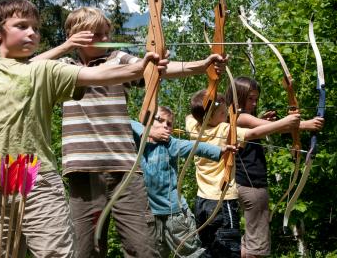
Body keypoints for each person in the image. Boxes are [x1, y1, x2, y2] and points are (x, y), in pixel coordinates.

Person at [0, 0, 168, 258]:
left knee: (55, 253)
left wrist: (142, 67)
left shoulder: (47, 70)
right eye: (22, 26)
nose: (32, 33)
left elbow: (98, 75)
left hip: (38, 180)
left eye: (36, 28)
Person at [33, 6, 227, 258]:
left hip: (125, 169)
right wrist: (66, 46)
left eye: (106, 33)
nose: (105, 39)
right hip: (83, 172)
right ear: (76, 35)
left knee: (142, 248)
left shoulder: (118, 58)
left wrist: (202, 66)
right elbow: (27, 69)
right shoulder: (62, 66)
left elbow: (158, 70)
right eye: (97, 34)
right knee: (86, 249)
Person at [185, 89, 300, 258]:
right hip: (223, 200)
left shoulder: (193, 126)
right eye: (223, 113)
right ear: (209, 117)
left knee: (209, 248)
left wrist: (211, 96)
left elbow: (192, 115)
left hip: (202, 200)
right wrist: (286, 123)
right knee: (230, 248)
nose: (227, 115)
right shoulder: (225, 129)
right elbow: (253, 133)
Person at [224, 77, 324, 258]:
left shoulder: (235, 117)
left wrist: (261, 120)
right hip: (251, 186)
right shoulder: (241, 117)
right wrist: (306, 125)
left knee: (249, 242)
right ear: (238, 97)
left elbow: (261, 128)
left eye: (256, 99)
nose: (254, 103)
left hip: (244, 184)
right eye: (250, 99)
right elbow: (276, 127)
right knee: (257, 247)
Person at [130, 106, 237, 258]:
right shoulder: (136, 141)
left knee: (191, 254)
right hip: (149, 216)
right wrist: (148, 132)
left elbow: (196, 146)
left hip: (175, 215)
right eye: (159, 120)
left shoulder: (171, 144)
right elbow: (124, 122)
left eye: (169, 124)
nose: (165, 126)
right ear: (146, 121)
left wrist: (221, 150)